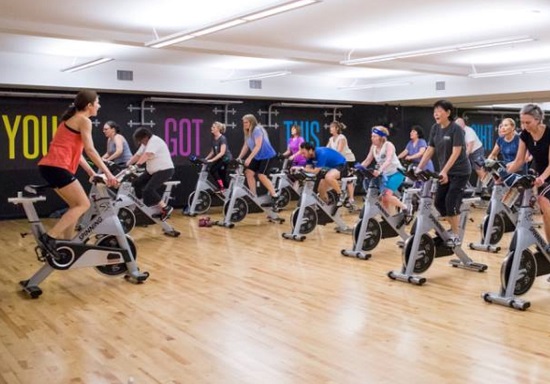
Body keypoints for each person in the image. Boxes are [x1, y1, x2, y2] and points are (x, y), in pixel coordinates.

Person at [37, 90, 118, 258]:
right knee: (84, 204)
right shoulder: (84, 120)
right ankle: (49, 237)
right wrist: (109, 174)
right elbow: (90, 150)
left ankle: (68, 243)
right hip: (57, 167)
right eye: (97, 102)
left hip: (50, 167)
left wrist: (91, 172)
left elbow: (79, 153)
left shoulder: (70, 120)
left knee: (76, 206)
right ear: (89, 105)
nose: (99, 105)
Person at [417, 99, 471, 246]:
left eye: (439, 111)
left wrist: (445, 171)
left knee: (450, 201)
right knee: (439, 202)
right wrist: (419, 168)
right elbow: (430, 149)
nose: (436, 114)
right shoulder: (435, 128)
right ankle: (453, 227)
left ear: (448, 113)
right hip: (444, 172)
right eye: (435, 111)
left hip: (460, 171)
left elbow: (456, 152)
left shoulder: (456, 129)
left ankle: (456, 235)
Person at [505, 104, 550, 249]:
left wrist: (542, 178)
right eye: (522, 122)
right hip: (538, 171)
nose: (524, 126)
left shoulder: (549, 133)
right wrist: (504, 174)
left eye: (528, 122)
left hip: (548, 171)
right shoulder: (524, 134)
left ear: (538, 120)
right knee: (545, 212)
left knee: (543, 201)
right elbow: (519, 160)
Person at [126, 127, 175, 221]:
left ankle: (166, 208)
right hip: (152, 171)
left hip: (165, 170)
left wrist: (136, 166)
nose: (140, 142)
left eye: (140, 140)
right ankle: (140, 206)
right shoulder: (146, 143)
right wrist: (127, 164)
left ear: (145, 137)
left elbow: (147, 155)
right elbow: (138, 155)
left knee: (148, 190)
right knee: (137, 183)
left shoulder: (154, 141)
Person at [236, 114, 284, 208]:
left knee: (261, 175)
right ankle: (254, 196)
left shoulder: (257, 130)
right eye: (243, 122)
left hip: (267, 155)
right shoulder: (247, 131)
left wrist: (249, 158)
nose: (244, 124)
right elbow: (246, 146)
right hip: (258, 156)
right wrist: (239, 157)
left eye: (246, 122)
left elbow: (258, 146)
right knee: (248, 173)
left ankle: (275, 195)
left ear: (252, 122)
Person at [360, 126, 407, 215]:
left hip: (396, 173)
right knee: (384, 199)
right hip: (385, 174)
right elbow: (367, 160)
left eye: (374, 136)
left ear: (381, 137)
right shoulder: (373, 147)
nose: (372, 138)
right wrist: (358, 168)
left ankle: (406, 208)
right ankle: (392, 218)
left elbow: (388, 160)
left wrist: (380, 170)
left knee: (386, 196)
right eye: (371, 136)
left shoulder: (388, 145)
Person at [299, 142, 347, 214]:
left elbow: (315, 171)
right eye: (301, 153)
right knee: (320, 189)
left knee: (328, 177)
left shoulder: (321, 154)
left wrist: (301, 168)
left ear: (311, 150)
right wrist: (299, 170)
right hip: (330, 169)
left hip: (341, 165)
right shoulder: (309, 157)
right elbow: (308, 170)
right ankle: (325, 208)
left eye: (303, 153)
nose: (302, 155)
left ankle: (341, 194)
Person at [327, 121, 358, 210]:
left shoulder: (341, 138)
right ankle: (340, 194)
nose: (330, 128)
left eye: (332, 127)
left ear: (337, 128)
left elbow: (338, 151)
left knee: (348, 179)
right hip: (339, 160)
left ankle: (351, 199)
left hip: (348, 160)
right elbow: (327, 149)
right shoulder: (331, 139)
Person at [455, 117, 489, 188]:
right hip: (467, 152)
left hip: (476, 150)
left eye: (459, 125)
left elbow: (470, 147)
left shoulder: (469, 131)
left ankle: (487, 187)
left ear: (463, 124)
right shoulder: (457, 132)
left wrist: (463, 158)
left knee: (478, 169)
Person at [204, 121, 232, 191]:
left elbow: (222, 153)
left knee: (213, 170)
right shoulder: (214, 138)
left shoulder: (222, 138)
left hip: (226, 158)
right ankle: (226, 189)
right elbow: (213, 151)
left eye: (213, 127)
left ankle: (222, 187)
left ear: (218, 129)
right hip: (221, 158)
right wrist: (205, 159)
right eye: (212, 127)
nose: (211, 128)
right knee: (221, 175)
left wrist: (212, 160)